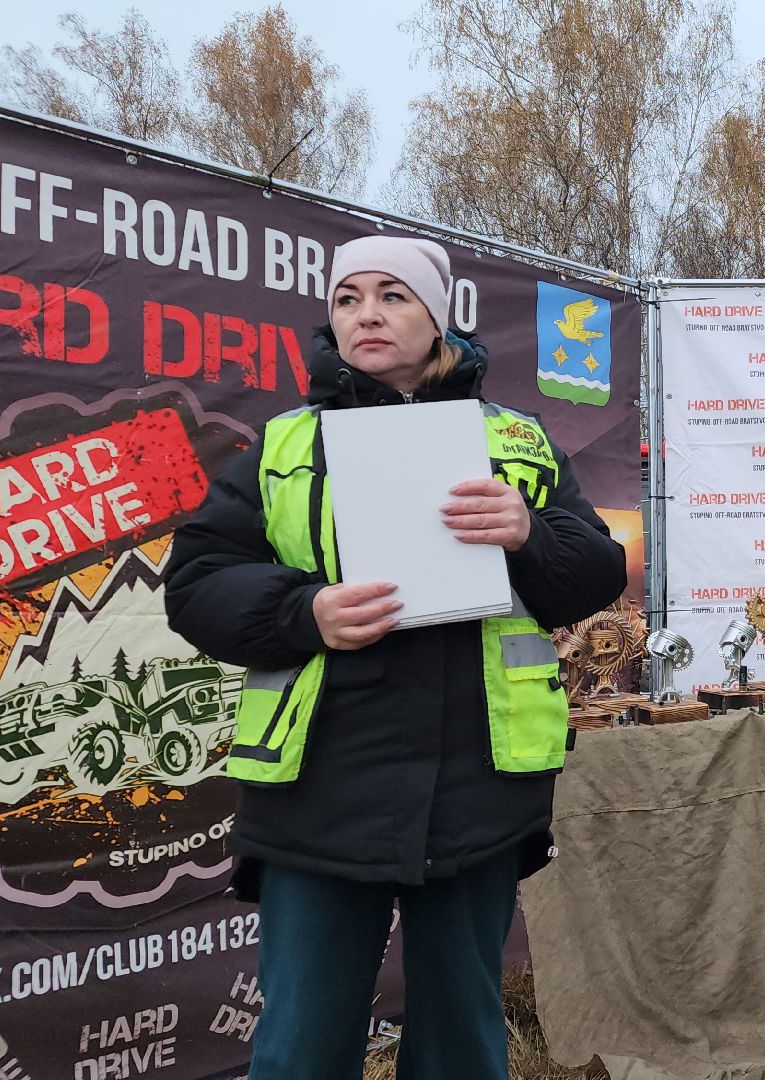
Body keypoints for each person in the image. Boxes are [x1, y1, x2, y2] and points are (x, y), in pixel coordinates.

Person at [165, 235, 625, 1079]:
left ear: (436, 316)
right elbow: (195, 584)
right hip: (320, 790)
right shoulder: (282, 445)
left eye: (393, 296)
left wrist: (528, 534)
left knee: (459, 1044)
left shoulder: (516, 439)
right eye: (348, 298)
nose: (367, 313)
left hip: (478, 789)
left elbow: (594, 570)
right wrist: (304, 612)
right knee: (301, 1048)